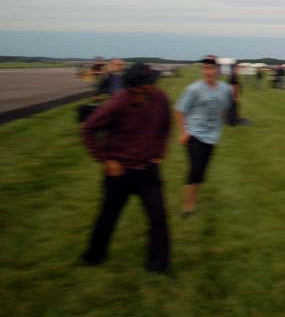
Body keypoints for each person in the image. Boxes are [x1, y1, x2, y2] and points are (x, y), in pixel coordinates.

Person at [80, 63, 171, 272]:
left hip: (148, 171)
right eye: (149, 83)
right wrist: (106, 160)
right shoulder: (118, 102)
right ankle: (94, 256)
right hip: (119, 173)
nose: (154, 86)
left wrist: (159, 152)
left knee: (158, 217)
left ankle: (158, 266)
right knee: (108, 216)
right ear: (135, 87)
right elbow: (88, 129)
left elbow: (166, 127)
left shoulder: (160, 98)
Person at [174, 55, 232, 218]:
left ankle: (194, 197)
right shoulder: (194, 89)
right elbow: (179, 110)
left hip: (212, 136)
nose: (208, 72)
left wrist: (220, 123)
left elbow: (225, 108)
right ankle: (188, 206)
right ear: (202, 70)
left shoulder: (225, 89)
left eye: (211, 68)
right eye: (205, 68)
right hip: (195, 134)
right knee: (195, 169)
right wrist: (183, 132)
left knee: (201, 172)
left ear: (217, 70)